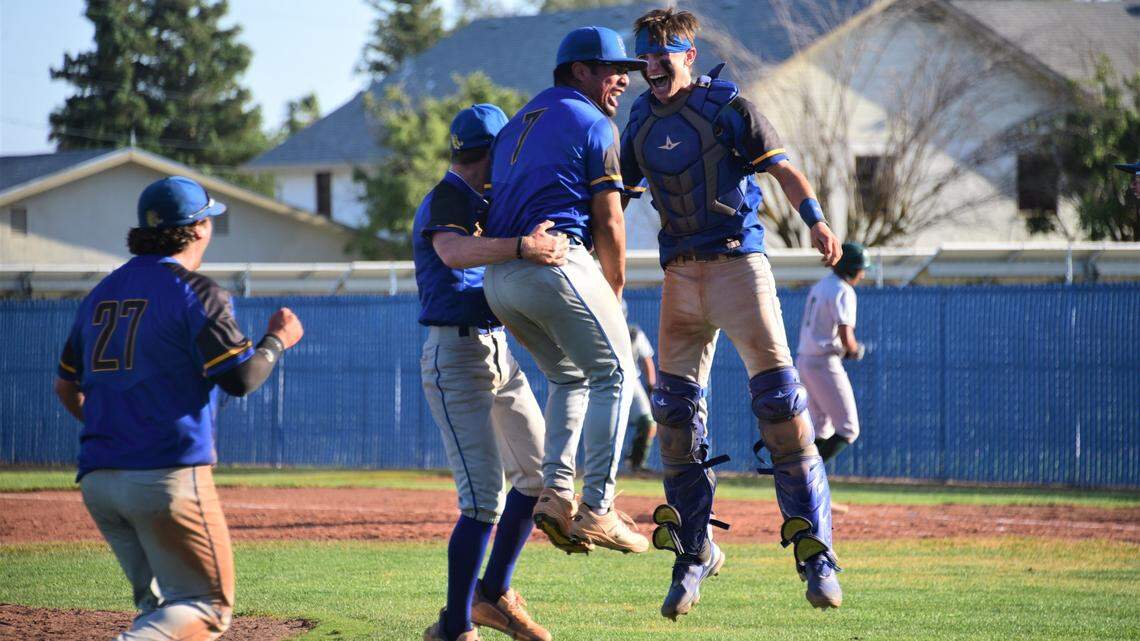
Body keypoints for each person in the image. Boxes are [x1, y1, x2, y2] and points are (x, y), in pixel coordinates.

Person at [620, 8, 844, 617]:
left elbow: (783, 167)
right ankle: (694, 552)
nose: (652, 67)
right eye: (645, 57)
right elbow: (616, 201)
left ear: (688, 53)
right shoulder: (638, 120)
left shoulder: (728, 107)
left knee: (779, 403)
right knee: (671, 415)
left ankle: (816, 555)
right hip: (678, 276)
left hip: (738, 267)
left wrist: (818, 221)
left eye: (663, 56)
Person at [53, 176, 304, 641]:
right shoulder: (195, 291)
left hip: (99, 479)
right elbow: (241, 378)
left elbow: (66, 386)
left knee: (166, 611)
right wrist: (277, 340)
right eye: (209, 219)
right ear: (198, 228)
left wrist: (117, 429)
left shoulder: (100, 293)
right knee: (205, 607)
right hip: (164, 475)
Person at [482, 26, 649, 556]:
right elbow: (609, 220)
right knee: (616, 374)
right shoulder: (593, 122)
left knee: (569, 376)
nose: (624, 78)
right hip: (556, 261)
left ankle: (556, 495)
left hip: (501, 277)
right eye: (611, 68)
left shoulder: (513, 125)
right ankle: (598, 507)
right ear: (580, 71)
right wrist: (613, 287)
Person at [414, 104, 567, 641]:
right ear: (495, 150)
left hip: (495, 350)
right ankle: (455, 628)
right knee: (483, 499)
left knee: (541, 474)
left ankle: (493, 595)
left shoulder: (486, 199)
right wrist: (523, 246)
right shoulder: (451, 194)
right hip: (454, 356)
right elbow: (453, 251)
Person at [797, 243, 872, 467]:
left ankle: (805, 490)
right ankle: (805, 481)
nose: (863, 273)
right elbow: (845, 336)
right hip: (823, 362)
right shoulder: (842, 289)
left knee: (822, 429)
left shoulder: (822, 285)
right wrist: (855, 350)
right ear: (852, 269)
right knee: (848, 429)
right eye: (861, 268)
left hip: (805, 360)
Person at [623, 300, 658, 472]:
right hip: (601, 381)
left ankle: (636, 462)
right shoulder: (597, 330)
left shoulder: (633, 333)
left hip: (631, 380)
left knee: (648, 423)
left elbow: (647, 359)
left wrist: (651, 386)